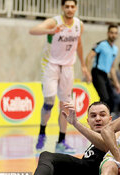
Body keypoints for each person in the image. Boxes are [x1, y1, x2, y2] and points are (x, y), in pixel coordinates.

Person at [31, 0, 91, 154]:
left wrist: (83, 66)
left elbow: (79, 44)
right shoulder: (54, 22)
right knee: (49, 102)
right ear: (62, 8)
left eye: (72, 6)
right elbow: (33, 30)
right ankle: (42, 133)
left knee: (65, 105)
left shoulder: (79, 24)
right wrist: (50, 31)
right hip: (50, 65)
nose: (70, 9)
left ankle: (61, 141)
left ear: (76, 8)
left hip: (68, 67)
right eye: (67, 6)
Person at [86, 24, 120, 113]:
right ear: (108, 33)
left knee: (112, 99)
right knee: (104, 98)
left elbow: (112, 68)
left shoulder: (115, 49)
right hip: (97, 72)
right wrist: (88, 74)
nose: (113, 35)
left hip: (105, 75)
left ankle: (107, 120)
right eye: (112, 32)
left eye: (115, 33)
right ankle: (98, 118)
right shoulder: (101, 44)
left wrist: (117, 83)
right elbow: (89, 57)